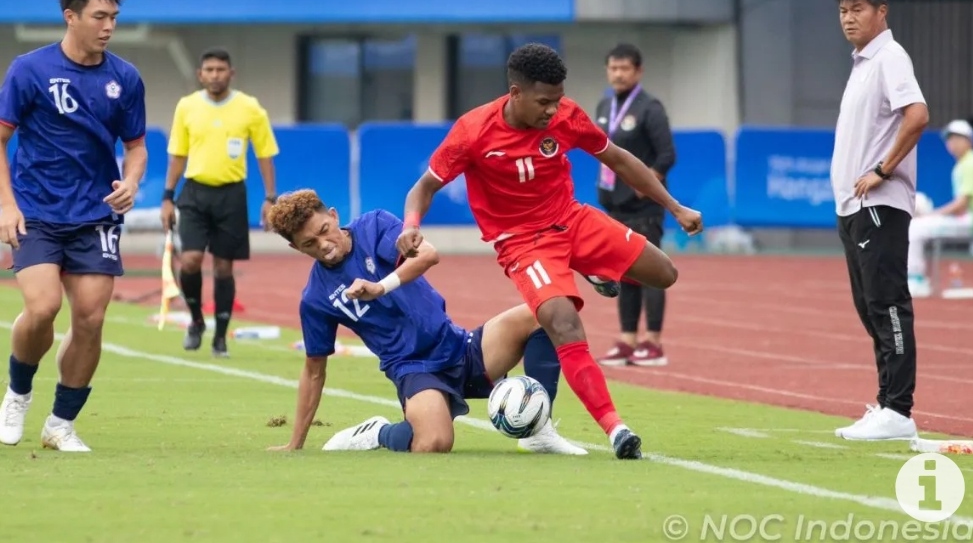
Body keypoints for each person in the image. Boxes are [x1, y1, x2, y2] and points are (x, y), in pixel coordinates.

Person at [396, 43, 703, 460]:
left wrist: (673, 205)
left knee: (665, 273)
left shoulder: (567, 116)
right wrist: (411, 227)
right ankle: (616, 429)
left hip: (573, 220)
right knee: (563, 321)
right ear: (515, 92)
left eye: (557, 100)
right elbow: (424, 187)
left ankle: (592, 268)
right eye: (544, 101)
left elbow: (618, 159)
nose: (552, 111)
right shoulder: (473, 131)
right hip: (522, 242)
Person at [263, 189, 585, 456]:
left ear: (333, 215)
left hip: (459, 346)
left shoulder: (374, 226)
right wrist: (296, 443)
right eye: (309, 244)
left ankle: (538, 432)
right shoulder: (316, 297)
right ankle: (379, 433)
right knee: (433, 443)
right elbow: (314, 369)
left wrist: (379, 287)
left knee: (543, 313)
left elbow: (428, 254)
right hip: (413, 368)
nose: (324, 245)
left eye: (323, 231)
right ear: (296, 248)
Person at [0, 0, 147, 452]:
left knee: (90, 317)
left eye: (114, 18)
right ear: (71, 16)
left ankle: (61, 423)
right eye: (100, 16)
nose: (109, 26)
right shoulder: (30, 69)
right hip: (37, 210)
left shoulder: (125, 78)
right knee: (42, 307)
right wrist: (6, 205)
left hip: (96, 214)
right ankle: (18, 393)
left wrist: (131, 180)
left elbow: (137, 146)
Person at [830, 0, 928, 441]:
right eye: (843, 11)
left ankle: (898, 409)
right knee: (869, 306)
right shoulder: (862, 62)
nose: (849, 19)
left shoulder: (890, 57)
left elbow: (918, 115)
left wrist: (883, 170)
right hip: (852, 206)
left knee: (887, 302)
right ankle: (888, 404)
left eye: (858, 9)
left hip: (879, 204)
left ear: (881, 11)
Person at [160, 47, 280, 358]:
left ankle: (221, 337)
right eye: (209, 70)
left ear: (231, 73)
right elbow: (178, 155)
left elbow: (265, 154)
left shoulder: (250, 108)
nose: (215, 75)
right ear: (200, 74)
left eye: (220, 70)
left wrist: (270, 198)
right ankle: (197, 320)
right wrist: (167, 197)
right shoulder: (187, 107)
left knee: (224, 268)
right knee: (190, 261)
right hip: (195, 192)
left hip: (231, 194)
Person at [594, 43, 676, 368]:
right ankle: (628, 339)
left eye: (624, 68)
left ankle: (653, 341)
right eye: (613, 68)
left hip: (644, 209)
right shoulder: (604, 106)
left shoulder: (650, 108)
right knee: (623, 272)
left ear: (638, 71)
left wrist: (647, 185)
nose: (618, 74)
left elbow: (667, 154)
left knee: (650, 272)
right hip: (615, 205)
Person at [907, 119, 973, 298]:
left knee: (915, 227)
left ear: (967, 140)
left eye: (956, 138)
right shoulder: (963, 164)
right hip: (966, 219)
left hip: (969, 221)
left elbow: (961, 205)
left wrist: (931, 215)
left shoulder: (969, 164)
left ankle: (917, 279)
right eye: (949, 139)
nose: (951, 143)